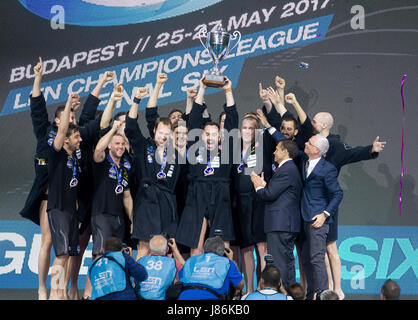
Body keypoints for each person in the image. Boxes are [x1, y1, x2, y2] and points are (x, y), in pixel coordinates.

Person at [175, 76, 239, 256]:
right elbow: (194, 119)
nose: (210, 137)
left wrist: (228, 91)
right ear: (201, 136)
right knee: (196, 243)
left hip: (220, 192)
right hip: (198, 191)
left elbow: (232, 120)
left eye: (214, 134)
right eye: (207, 134)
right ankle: (196, 280)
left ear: (220, 136)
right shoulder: (195, 149)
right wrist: (201, 88)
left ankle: (225, 282)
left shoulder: (227, 150)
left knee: (223, 244)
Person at [125, 79, 182, 261]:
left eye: (167, 134)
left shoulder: (175, 154)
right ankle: (137, 287)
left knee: (166, 248)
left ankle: (165, 287)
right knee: (143, 247)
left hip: (166, 202)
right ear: (154, 130)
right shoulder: (144, 146)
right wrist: (136, 101)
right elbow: (131, 126)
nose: (163, 137)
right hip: (146, 201)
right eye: (160, 132)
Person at [250, 140, 302, 289]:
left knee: (279, 263)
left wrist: (259, 187)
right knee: (287, 262)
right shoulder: (287, 169)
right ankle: (290, 294)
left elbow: (269, 195)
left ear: (285, 152)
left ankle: (283, 293)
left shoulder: (287, 169)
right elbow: (278, 191)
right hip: (284, 224)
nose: (274, 152)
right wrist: (266, 186)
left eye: (277, 149)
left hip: (281, 224)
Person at [46, 93, 83, 300]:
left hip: (70, 212)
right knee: (61, 255)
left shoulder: (74, 158)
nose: (80, 140)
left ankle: (61, 293)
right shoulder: (57, 152)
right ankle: (55, 295)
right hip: (58, 209)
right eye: (76, 137)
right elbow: (62, 130)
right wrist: (69, 105)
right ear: (66, 139)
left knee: (68, 254)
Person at [299, 134, 343, 300]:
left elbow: (338, 193)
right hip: (304, 218)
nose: (305, 143)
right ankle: (311, 295)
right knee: (306, 259)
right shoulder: (305, 161)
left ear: (316, 150)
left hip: (318, 220)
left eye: (309, 143)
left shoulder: (328, 168)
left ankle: (324, 294)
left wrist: (325, 214)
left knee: (317, 258)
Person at [90, 120, 134, 256]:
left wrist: (132, 220)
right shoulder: (103, 161)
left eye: (122, 144)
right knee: (99, 256)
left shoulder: (125, 168)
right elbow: (98, 150)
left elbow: (127, 197)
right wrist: (113, 129)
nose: (120, 147)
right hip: (102, 214)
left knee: (115, 257)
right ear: (109, 145)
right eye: (117, 144)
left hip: (118, 218)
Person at [177, 236, 244, 300]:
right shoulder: (227, 262)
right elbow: (240, 285)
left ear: (205, 249)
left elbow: (179, 278)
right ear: (223, 252)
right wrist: (230, 259)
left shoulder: (192, 259)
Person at [136, 235, 185, 300]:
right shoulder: (173, 262)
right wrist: (175, 250)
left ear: (149, 249)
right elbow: (187, 273)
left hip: (141, 298)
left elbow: (134, 282)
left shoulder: (141, 261)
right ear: (167, 249)